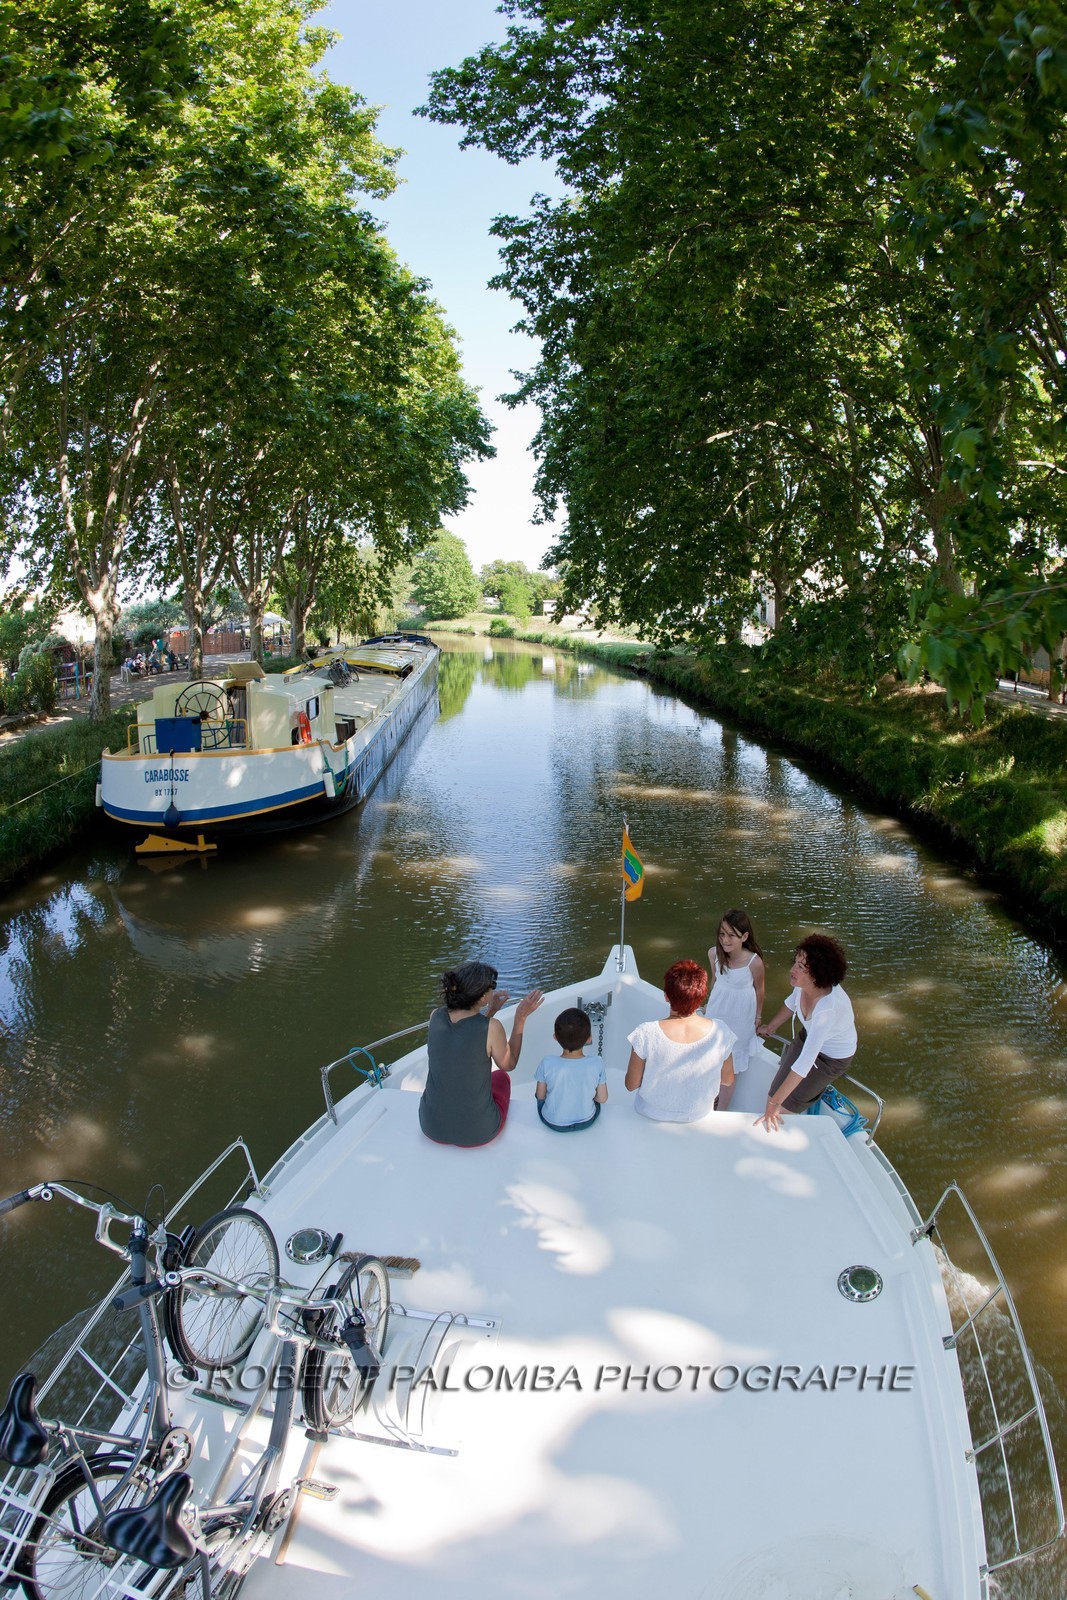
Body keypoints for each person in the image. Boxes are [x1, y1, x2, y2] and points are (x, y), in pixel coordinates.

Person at [419, 962, 544, 1148]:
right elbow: (509, 1064)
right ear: (484, 996)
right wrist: (520, 1018)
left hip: (430, 1125)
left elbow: (464, 1039)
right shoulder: (491, 1027)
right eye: (491, 989)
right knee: (501, 1077)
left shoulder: (435, 1016)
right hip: (478, 1132)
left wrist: (490, 1012)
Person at [755, 934, 857, 1132]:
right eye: (795, 963)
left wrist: (774, 1106)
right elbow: (791, 1003)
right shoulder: (803, 986)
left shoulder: (827, 1009)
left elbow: (804, 1064)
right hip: (808, 1038)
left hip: (832, 1058)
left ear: (817, 975)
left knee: (782, 1108)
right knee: (772, 1093)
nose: (792, 970)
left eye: (801, 968)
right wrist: (771, 1027)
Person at [625, 960, 735, 1123]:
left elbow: (631, 1084)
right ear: (702, 996)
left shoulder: (646, 1033)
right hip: (698, 1114)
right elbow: (727, 1079)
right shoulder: (720, 1031)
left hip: (650, 1113)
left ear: (666, 996)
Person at [704, 908, 765, 1110]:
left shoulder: (754, 962)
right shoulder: (714, 953)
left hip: (740, 1019)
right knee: (710, 1059)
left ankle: (721, 1109)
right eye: (722, 934)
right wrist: (707, 1006)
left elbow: (760, 990)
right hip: (717, 1013)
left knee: (731, 1068)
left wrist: (758, 1017)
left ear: (744, 936)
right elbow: (715, 980)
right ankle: (707, 1099)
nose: (725, 940)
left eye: (731, 935)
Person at [535, 1008, 608, 1132]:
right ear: (589, 1038)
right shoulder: (597, 1062)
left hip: (552, 1122)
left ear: (555, 1037)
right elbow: (602, 1099)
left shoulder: (546, 1062)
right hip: (586, 1121)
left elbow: (540, 1095)